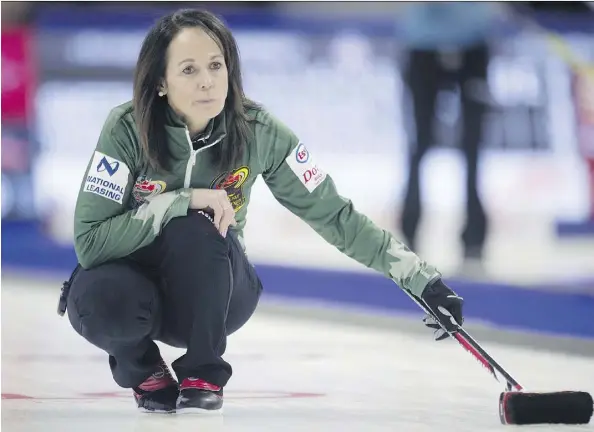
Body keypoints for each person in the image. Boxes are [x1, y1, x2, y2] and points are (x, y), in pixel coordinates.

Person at [59, 9, 464, 415]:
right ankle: (144, 370)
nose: (207, 80)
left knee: (197, 227)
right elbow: (91, 242)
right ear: (161, 82)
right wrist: (181, 199)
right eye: (188, 69)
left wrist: (420, 279)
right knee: (94, 294)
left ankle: (203, 372)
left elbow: (334, 214)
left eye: (216, 65)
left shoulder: (259, 130)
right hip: (137, 292)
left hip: (217, 294)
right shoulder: (127, 128)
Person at [397, 2, 504, 274]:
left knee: (473, 146)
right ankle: (409, 235)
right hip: (423, 44)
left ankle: (474, 242)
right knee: (420, 144)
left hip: (472, 45)